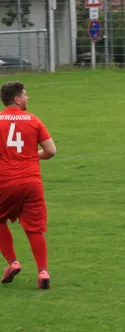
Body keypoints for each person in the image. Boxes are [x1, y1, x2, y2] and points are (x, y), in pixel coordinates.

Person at [0, 81, 56, 289]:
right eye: (25, 95)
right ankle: (42, 272)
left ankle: (12, 262)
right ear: (16, 99)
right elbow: (51, 151)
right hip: (32, 182)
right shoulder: (33, 120)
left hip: (5, 182)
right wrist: (32, 157)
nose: (27, 98)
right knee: (34, 229)